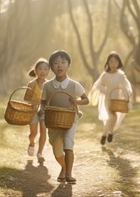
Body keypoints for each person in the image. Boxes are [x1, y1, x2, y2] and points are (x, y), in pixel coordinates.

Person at [38, 50, 89, 184]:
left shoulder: (74, 85)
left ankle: (68, 173)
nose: (59, 66)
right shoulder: (47, 86)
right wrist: (40, 110)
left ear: (69, 65)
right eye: (55, 63)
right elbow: (43, 103)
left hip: (70, 120)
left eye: (63, 62)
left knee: (68, 144)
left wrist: (75, 101)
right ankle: (63, 166)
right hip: (53, 122)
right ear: (51, 67)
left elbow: (86, 100)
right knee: (56, 150)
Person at [90, 52, 133, 145]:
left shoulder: (121, 75)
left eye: (115, 62)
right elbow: (98, 85)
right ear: (108, 63)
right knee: (112, 117)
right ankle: (107, 134)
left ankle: (107, 133)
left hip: (118, 99)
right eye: (111, 62)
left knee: (113, 118)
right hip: (108, 100)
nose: (113, 64)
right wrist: (105, 91)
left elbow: (126, 85)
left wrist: (128, 93)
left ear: (118, 63)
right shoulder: (105, 75)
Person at [23, 58, 50, 163]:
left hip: (44, 111)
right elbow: (26, 98)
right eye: (40, 69)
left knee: (44, 131)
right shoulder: (32, 84)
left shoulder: (49, 84)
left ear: (48, 71)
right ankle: (32, 142)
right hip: (33, 111)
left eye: (46, 69)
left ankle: (40, 153)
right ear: (35, 71)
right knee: (33, 133)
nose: (43, 71)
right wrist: (32, 100)